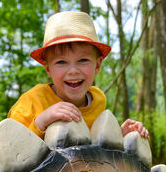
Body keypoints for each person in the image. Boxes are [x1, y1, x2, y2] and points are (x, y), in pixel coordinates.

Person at [8, 11, 149, 139]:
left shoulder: (98, 101)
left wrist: (118, 136)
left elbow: (92, 148)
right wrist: (42, 121)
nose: (73, 70)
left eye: (83, 60)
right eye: (62, 62)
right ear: (48, 69)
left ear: (98, 65)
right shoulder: (33, 102)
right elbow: (9, 147)